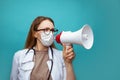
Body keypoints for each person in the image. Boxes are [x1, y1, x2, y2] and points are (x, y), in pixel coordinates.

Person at [10, 16, 76, 80]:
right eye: (46, 30)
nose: (50, 33)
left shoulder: (61, 56)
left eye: (52, 30)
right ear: (35, 34)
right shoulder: (19, 56)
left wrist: (68, 63)